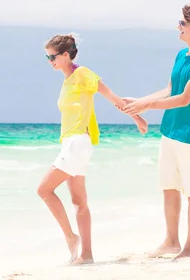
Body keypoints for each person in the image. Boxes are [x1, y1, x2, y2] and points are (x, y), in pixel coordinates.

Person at [37, 34, 148, 265]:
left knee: (44, 190)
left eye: (53, 56)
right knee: (79, 202)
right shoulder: (67, 80)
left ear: (66, 55)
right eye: (47, 57)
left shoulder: (83, 74)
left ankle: (71, 237)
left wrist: (136, 117)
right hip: (72, 143)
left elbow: (111, 96)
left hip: (78, 142)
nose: (50, 61)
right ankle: (86, 256)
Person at [122, 5, 190, 260]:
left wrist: (147, 106)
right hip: (170, 131)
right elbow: (169, 89)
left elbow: (185, 98)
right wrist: (140, 101)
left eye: (183, 23)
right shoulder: (181, 55)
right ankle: (171, 241)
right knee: (168, 187)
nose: (179, 26)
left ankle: (189, 247)